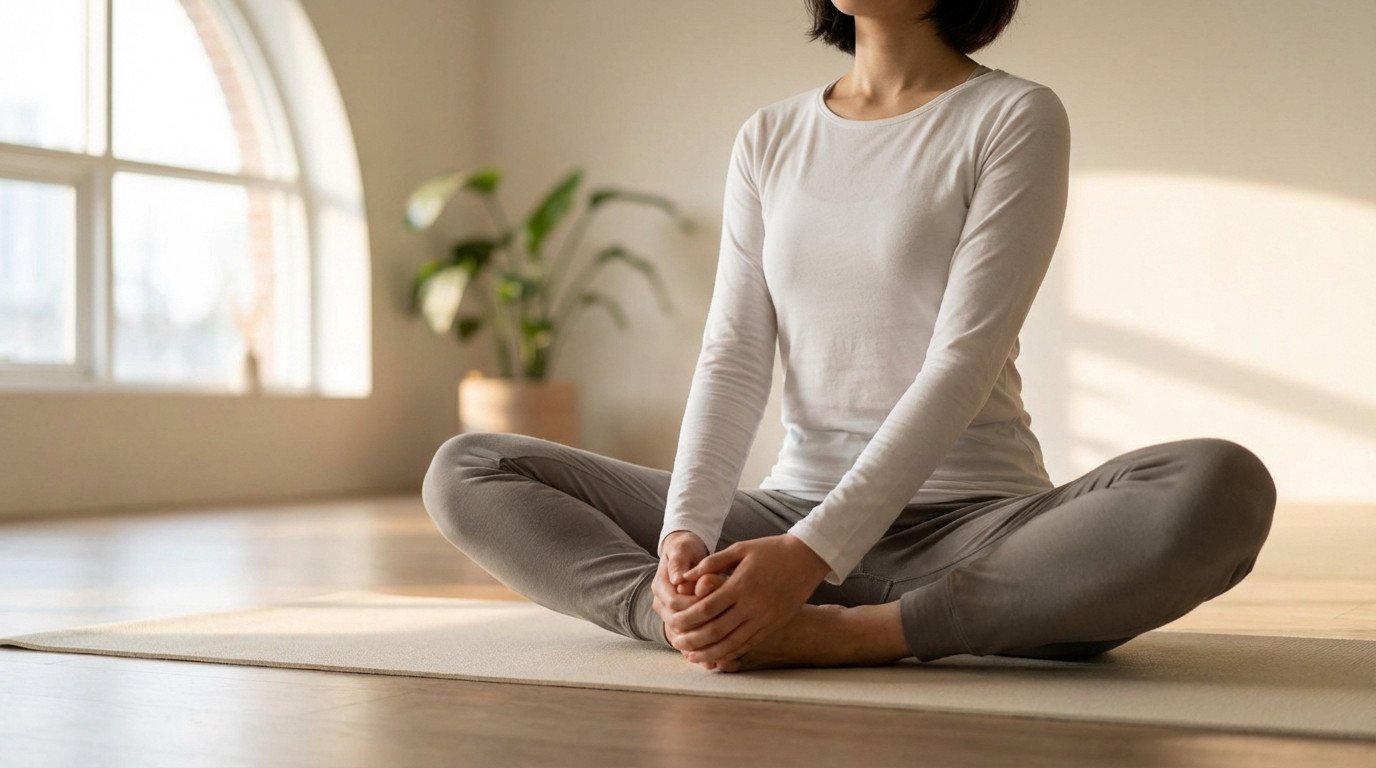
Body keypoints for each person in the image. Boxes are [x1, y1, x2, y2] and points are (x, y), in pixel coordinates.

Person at [421, 0, 1278, 674]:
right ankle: (689, 620)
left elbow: (963, 360)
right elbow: (734, 354)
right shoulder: (770, 136)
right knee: (470, 469)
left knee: (1221, 484)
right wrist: (686, 533)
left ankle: (858, 635)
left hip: (972, 533)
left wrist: (811, 558)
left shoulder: (1012, 115)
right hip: (780, 513)